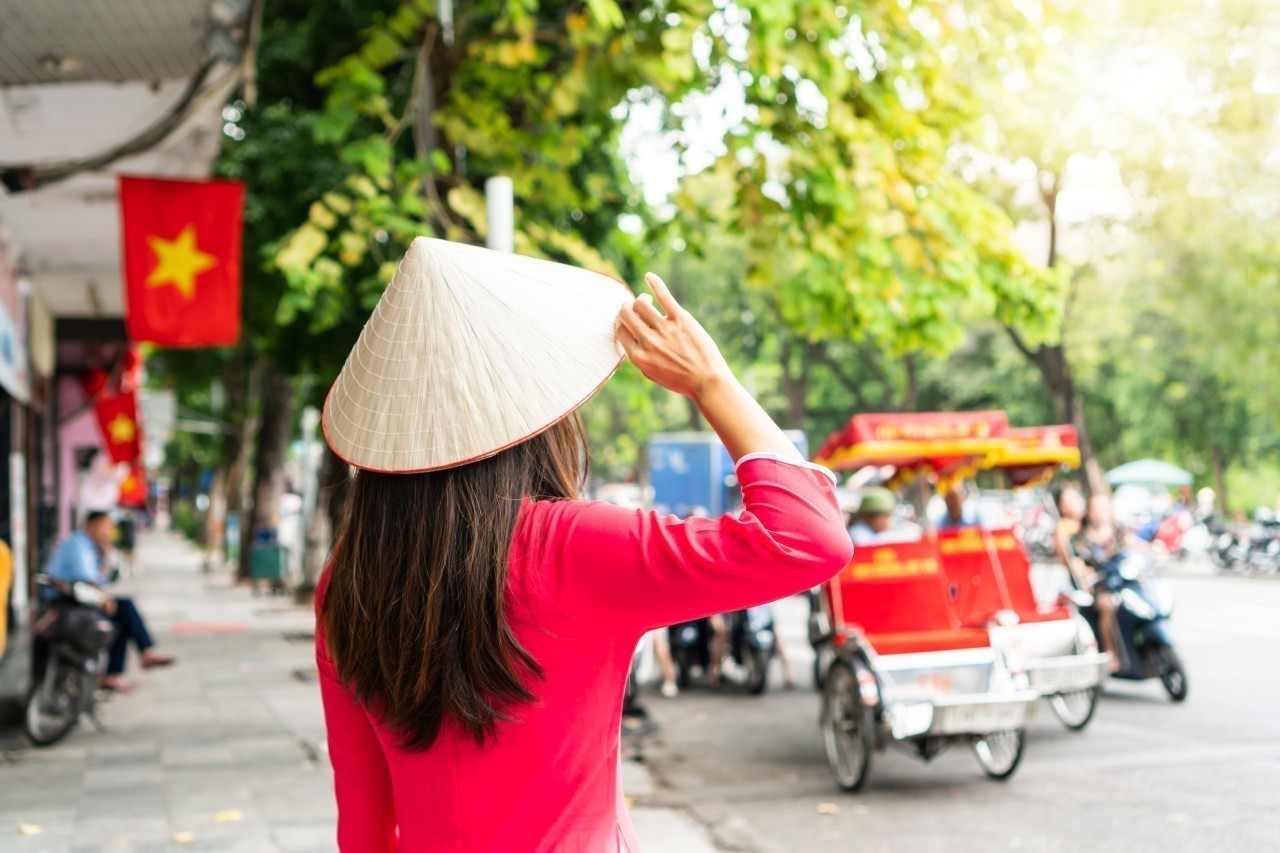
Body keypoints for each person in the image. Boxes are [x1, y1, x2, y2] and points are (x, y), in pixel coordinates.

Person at [315, 239, 852, 851]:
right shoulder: (572, 547)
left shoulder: (347, 581)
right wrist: (711, 382)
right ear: (538, 422)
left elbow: (361, 820)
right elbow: (809, 539)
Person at [44, 511, 174, 691]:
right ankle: (137, 658)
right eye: (105, 526)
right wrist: (103, 599)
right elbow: (88, 580)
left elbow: (101, 580)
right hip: (66, 603)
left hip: (82, 600)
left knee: (123, 614)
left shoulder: (91, 546)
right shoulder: (77, 544)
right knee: (123, 610)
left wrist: (106, 555)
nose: (108, 531)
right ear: (91, 524)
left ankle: (120, 670)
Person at [1054, 487, 1123, 672]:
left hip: (1113, 578)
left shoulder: (1098, 523)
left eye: (1074, 500)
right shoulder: (1067, 530)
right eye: (1066, 503)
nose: (1071, 506)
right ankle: (1110, 652)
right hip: (1090, 585)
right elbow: (1072, 561)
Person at [846, 486, 919, 544]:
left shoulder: (877, 531)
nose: (886, 521)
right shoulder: (858, 534)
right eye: (882, 517)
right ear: (867, 517)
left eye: (888, 516)